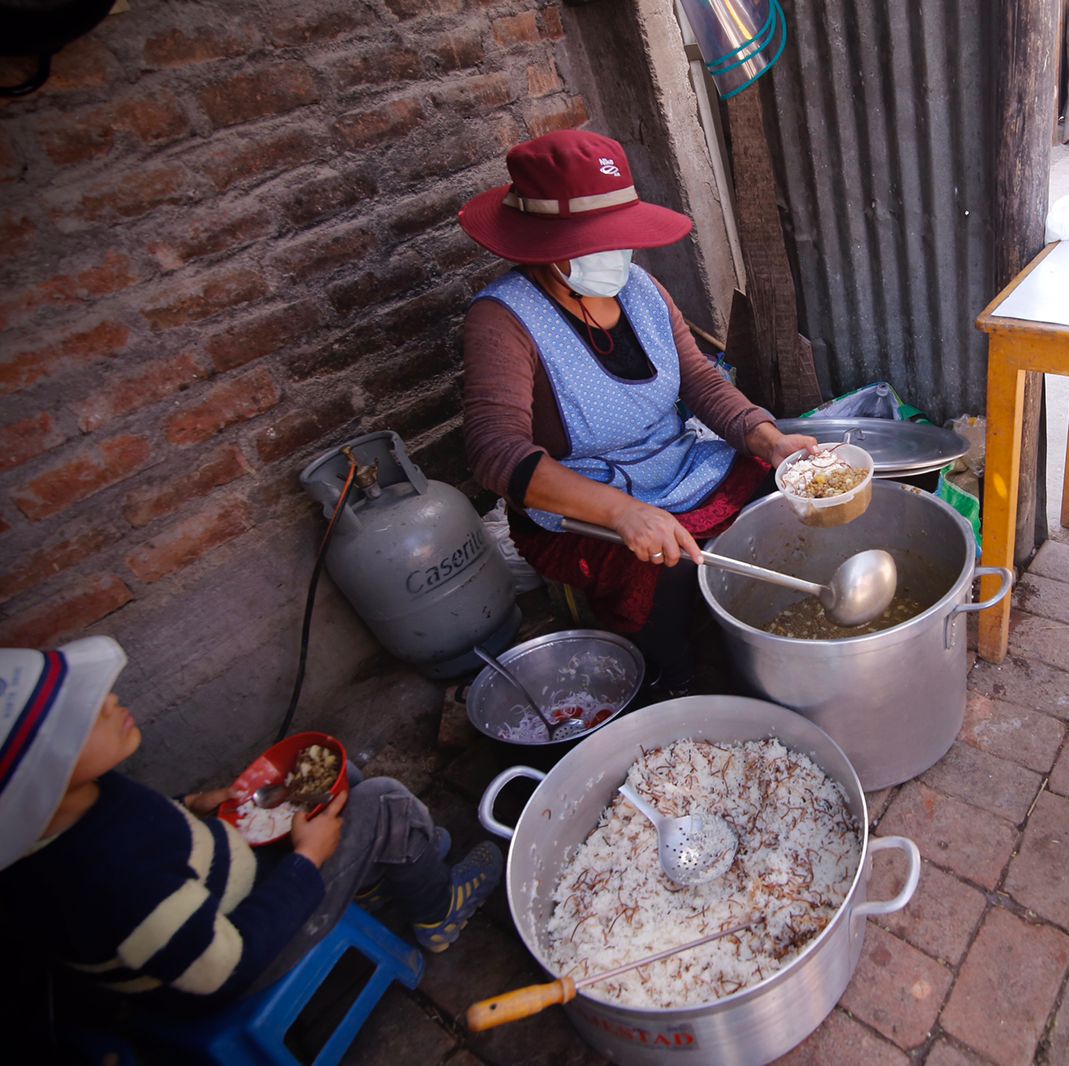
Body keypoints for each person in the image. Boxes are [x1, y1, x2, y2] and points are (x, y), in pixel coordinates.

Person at [458, 129, 816, 694]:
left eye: (617, 237)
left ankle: (764, 627)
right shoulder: (502, 319)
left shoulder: (642, 289)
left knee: (783, 491)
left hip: (676, 464)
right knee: (662, 566)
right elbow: (493, 452)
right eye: (592, 241)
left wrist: (766, 438)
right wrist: (622, 513)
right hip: (581, 501)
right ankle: (669, 681)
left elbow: (700, 381)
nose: (613, 254)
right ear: (538, 243)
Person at [0, 636, 502, 1024]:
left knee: (333, 778)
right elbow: (221, 967)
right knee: (384, 801)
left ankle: (378, 877)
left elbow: (151, 835)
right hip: (246, 954)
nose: (109, 700)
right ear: (44, 773)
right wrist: (306, 862)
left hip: (228, 888)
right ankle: (439, 911)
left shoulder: (76, 807)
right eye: (85, 713)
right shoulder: (108, 878)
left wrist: (192, 805)